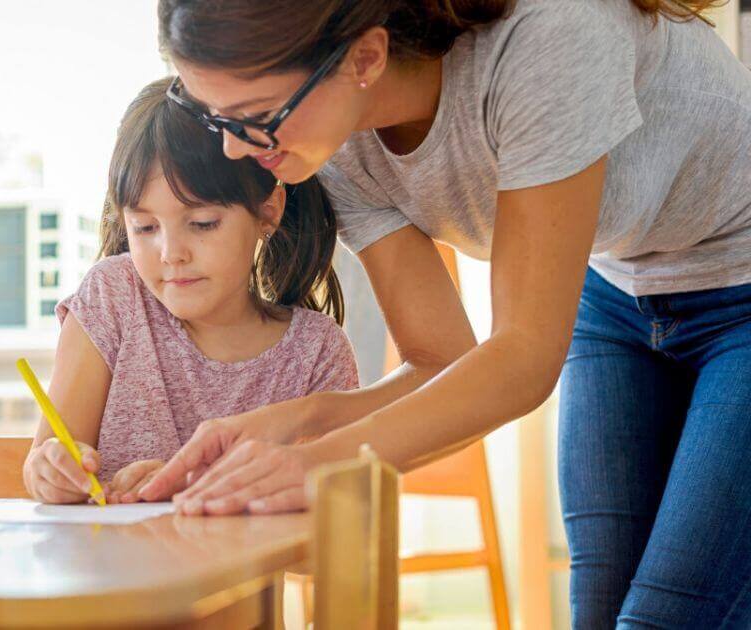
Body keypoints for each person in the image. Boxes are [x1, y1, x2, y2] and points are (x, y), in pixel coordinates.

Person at [138, 0, 751, 626]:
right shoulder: (335, 144)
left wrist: (316, 465)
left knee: (667, 615)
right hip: (617, 286)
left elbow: (521, 359)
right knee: (598, 610)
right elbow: (441, 361)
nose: (236, 151)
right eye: (215, 118)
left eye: (257, 118)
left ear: (366, 58)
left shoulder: (551, 33)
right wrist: (297, 423)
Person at [22, 78, 358, 505]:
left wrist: (189, 488)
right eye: (144, 228)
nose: (171, 254)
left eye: (202, 224)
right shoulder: (112, 296)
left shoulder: (316, 352)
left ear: (268, 211)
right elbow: (47, 461)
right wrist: (48, 471)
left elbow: (335, 514)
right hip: (108, 568)